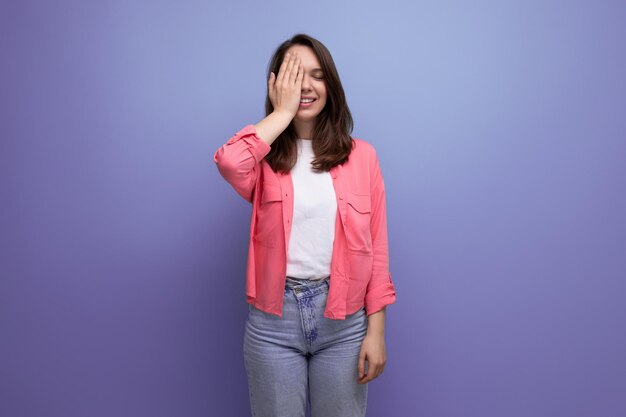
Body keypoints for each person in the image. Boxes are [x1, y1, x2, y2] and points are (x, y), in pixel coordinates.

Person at [213, 33, 397, 417]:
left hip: (344, 325)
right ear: (277, 85)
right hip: (272, 325)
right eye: (296, 75)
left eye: (317, 75)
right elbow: (230, 162)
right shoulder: (262, 162)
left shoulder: (362, 157)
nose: (307, 86)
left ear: (331, 83)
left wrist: (376, 332)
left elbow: (376, 250)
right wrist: (282, 115)